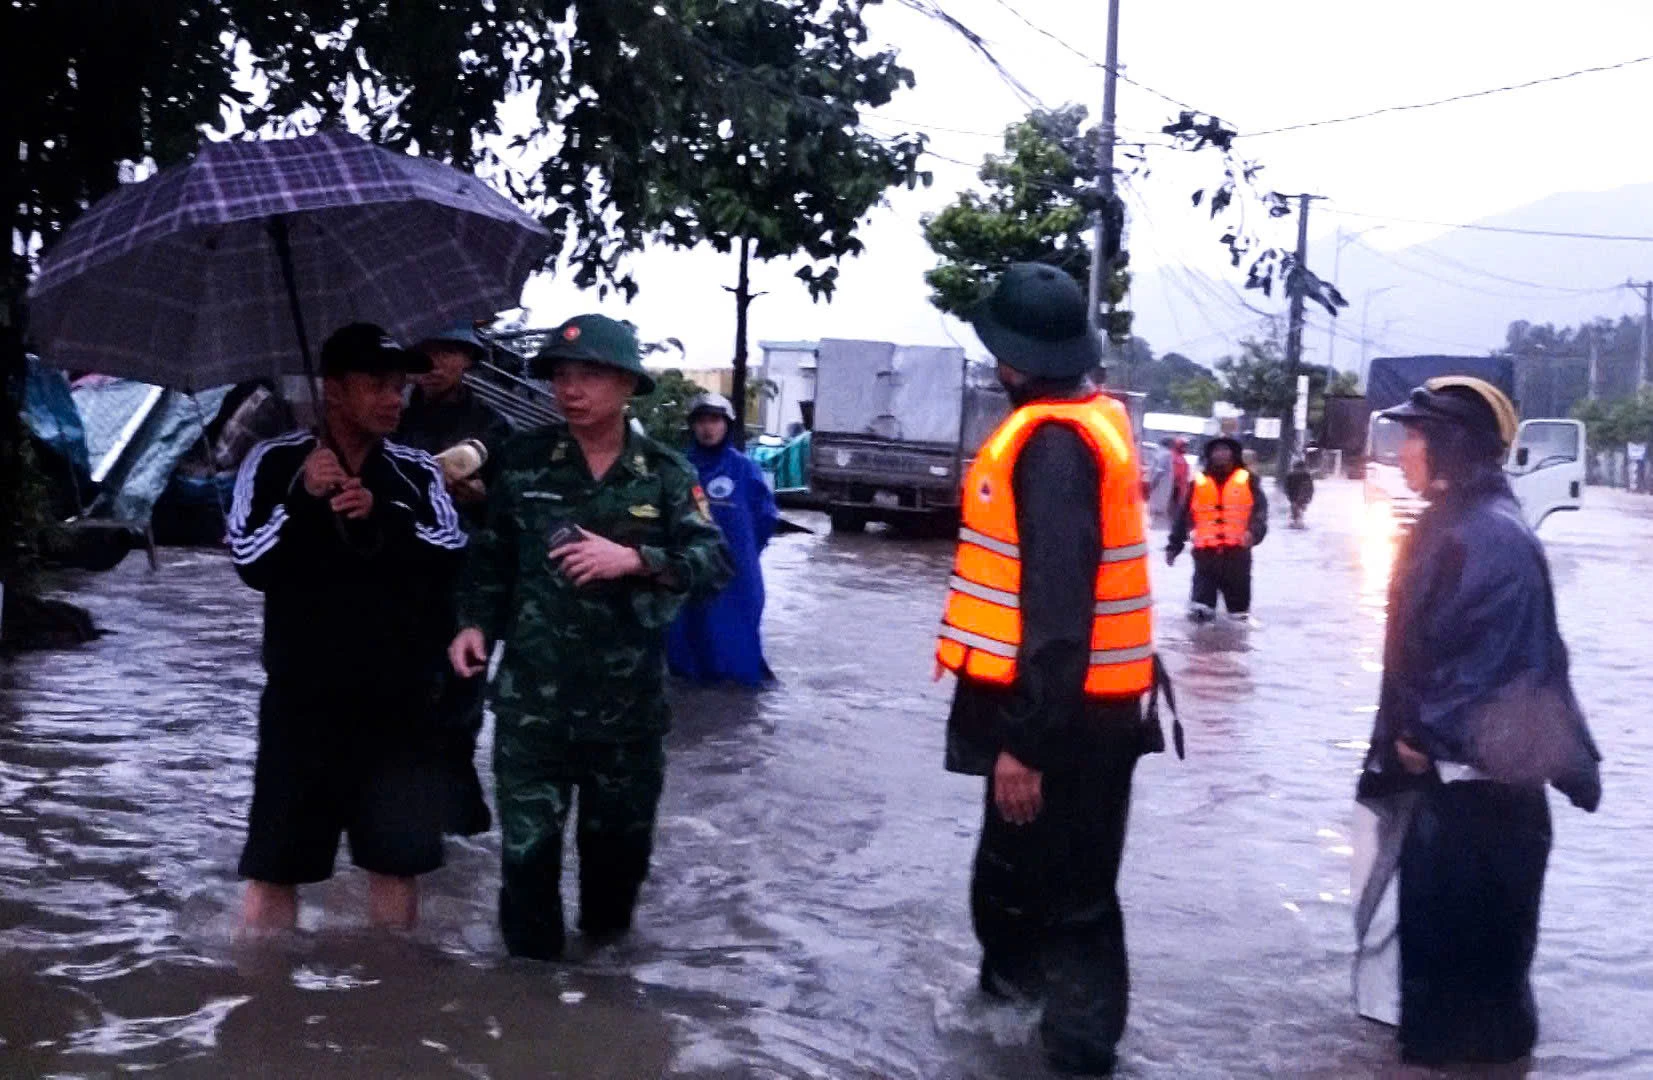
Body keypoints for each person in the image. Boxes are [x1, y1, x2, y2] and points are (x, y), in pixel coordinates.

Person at [935, 263, 1169, 1077]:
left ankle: (1076, 1054)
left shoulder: (1055, 445)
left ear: (1008, 358)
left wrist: (1025, 744)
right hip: (1078, 709)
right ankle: (1008, 1029)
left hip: (1062, 720)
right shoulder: (1083, 420)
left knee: (1071, 900)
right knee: (1011, 881)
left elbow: (1059, 617)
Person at [447, 314, 732, 961]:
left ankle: (603, 1018)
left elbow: (714, 565)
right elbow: (489, 563)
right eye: (561, 376)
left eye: (589, 375)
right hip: (532, 709)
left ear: (627, 384)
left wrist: (634, 560)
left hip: (625, 717)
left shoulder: (662, 472)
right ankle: (525, 1021)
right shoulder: (521, 463)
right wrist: (473, 625)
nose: (570, 389)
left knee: (613, 882)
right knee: (526, 865)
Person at [1352, 376, 1601, 1066]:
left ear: (1452, 446)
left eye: (1413, 437)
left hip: (1478, 801)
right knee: (1446, 987)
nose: (1401, 453)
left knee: (1469, 1012)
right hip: (1457, 789)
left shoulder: (1486, 536)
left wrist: (1420, 740)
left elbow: (1499, 672)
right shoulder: (1460, 520)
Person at [227, 323, 467, 932]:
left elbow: (451, 549)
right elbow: (249, 562)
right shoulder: (273, 461)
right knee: (275, 867)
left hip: (399, 702)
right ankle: (261, 1007)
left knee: (396, 863)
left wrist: (382, 514)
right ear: (333, 390)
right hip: (301, 704)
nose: (395, 399)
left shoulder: (416, 470)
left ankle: (391, 1005)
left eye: (399, 386)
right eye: (376, 386)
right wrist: (304, 499)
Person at [395, 321, 513, 838]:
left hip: (466, 588)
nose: (435, 364)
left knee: (460, 711)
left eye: (447, 353)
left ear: (468, 359)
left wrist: (484, 502)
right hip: (400, 586)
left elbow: (517, 517)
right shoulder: (388, 417)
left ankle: (461, 829)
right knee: (401, 706)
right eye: (424, 353)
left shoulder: (494, 426)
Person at [666, 392, 779, 687]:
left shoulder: (745, 469)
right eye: (702, 420)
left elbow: (766, 518)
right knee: (686, 647)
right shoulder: (678, 468)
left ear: (727, 425)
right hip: (687, 570)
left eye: (715, 420)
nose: (708, 428)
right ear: (692, 425)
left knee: (735, 648)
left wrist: (743, 554)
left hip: (736, 574)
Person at [1166, 436, 1268, 622]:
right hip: (1205, 559)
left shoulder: (1250, 482)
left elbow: (1260, 514)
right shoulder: (1197, 484)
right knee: (1200, 615)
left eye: (1225, 450)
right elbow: (1182, 517)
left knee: (1238, 619)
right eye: (1216, 450)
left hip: (1237, 558)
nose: (1220, 454)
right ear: (1209, 455)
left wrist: (1253, 533)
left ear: (1233, 454)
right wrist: (1173, 547)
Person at [1284, 455, 1315, 529]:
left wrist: (1289, 496)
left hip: (1295, 496)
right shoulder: (1306, 475)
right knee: (1299, 509)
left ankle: (1296, 522)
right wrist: (1309, 497)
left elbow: (1286, 487)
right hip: (1302, 496)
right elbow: (1311, 488)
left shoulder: (1291, 475)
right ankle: (1298, 522)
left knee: (1296, 509)